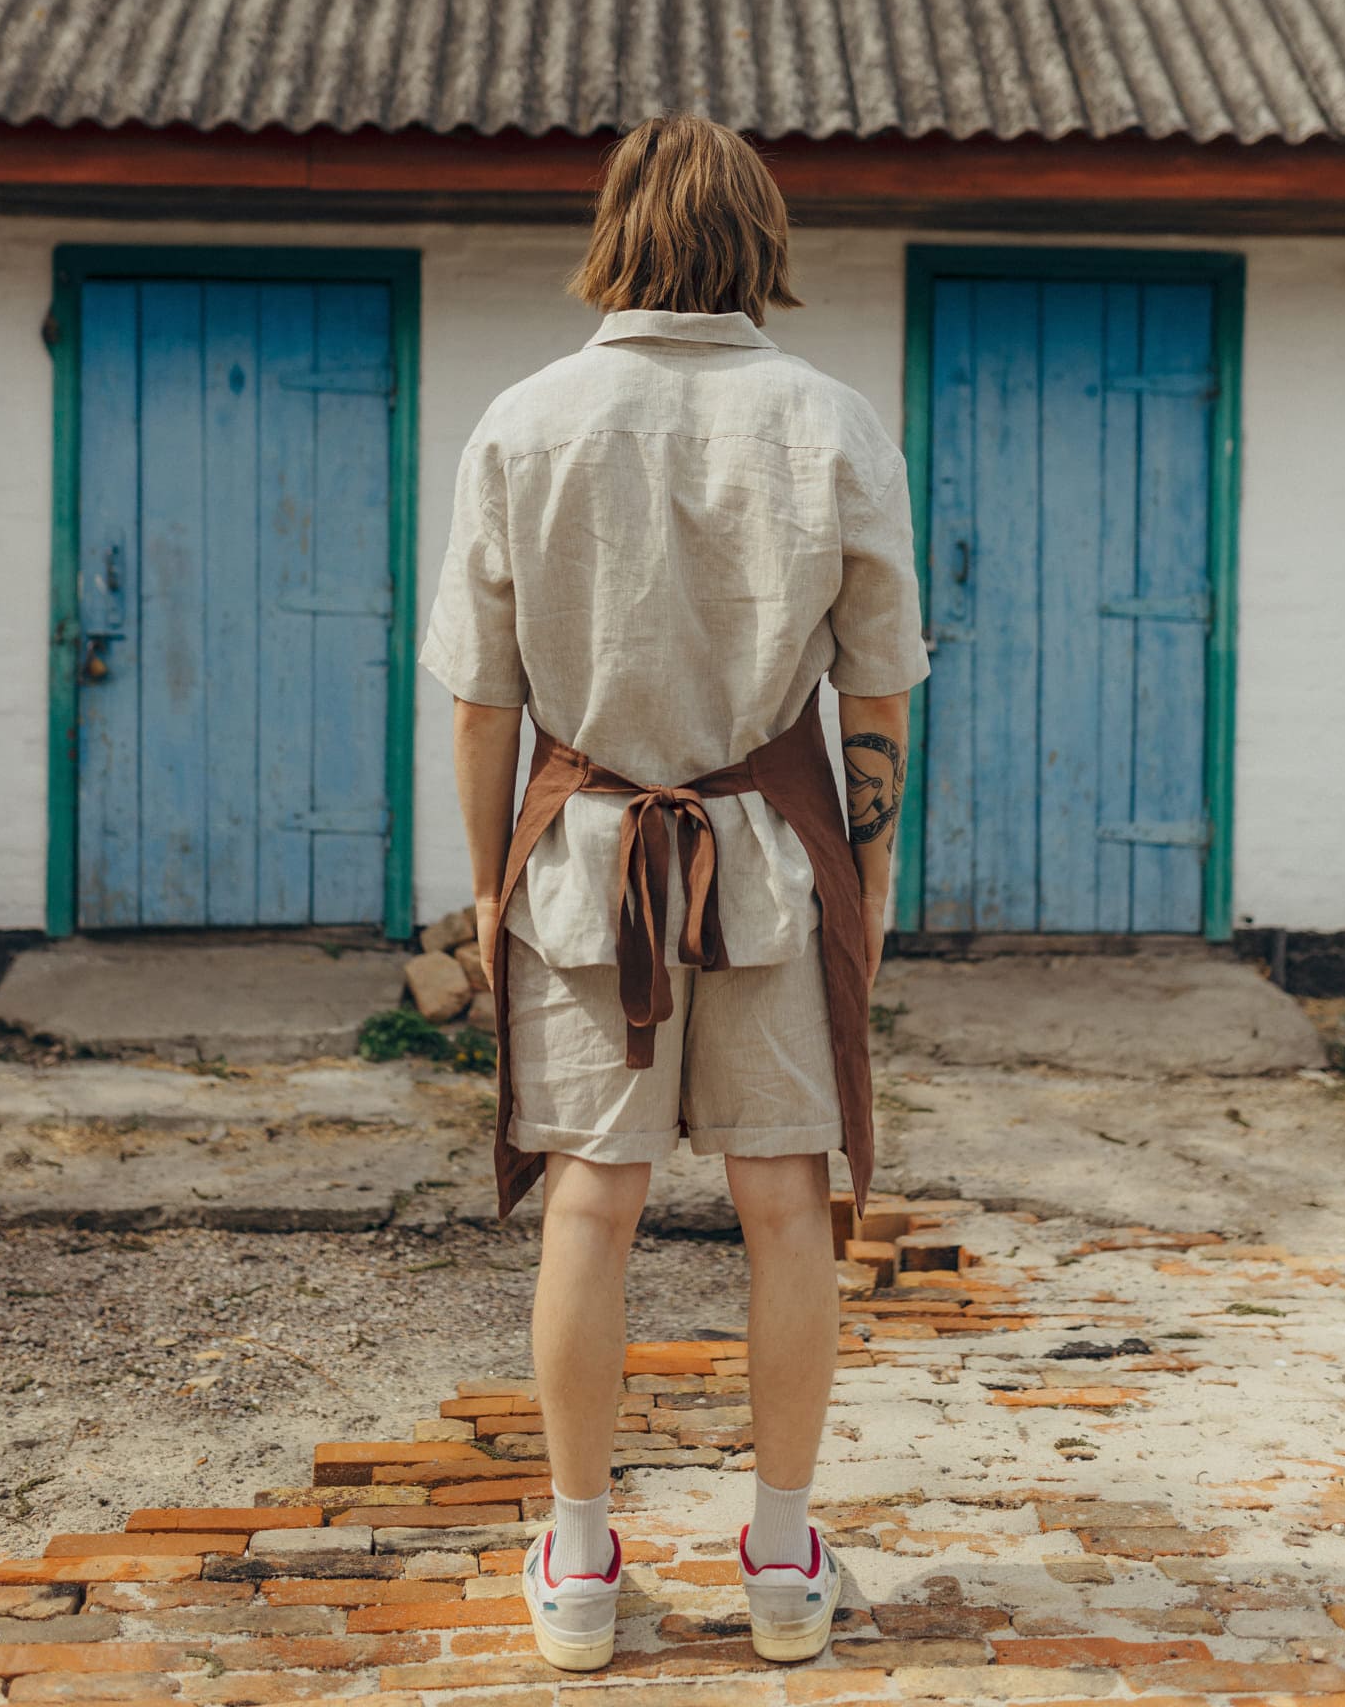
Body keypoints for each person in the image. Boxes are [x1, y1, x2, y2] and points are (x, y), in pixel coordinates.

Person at [419, 113, 929, 1671]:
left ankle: (578, 1571)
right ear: (757, 242)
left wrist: (490, 892)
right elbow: (877, 704)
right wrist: (874, 889)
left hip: (581, 864)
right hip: (780, 858)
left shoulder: (526, 420)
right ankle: (783, 1561)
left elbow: (483, 706)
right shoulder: (832, 420)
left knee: (593, 1196)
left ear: (618, 233)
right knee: (786, 1203)